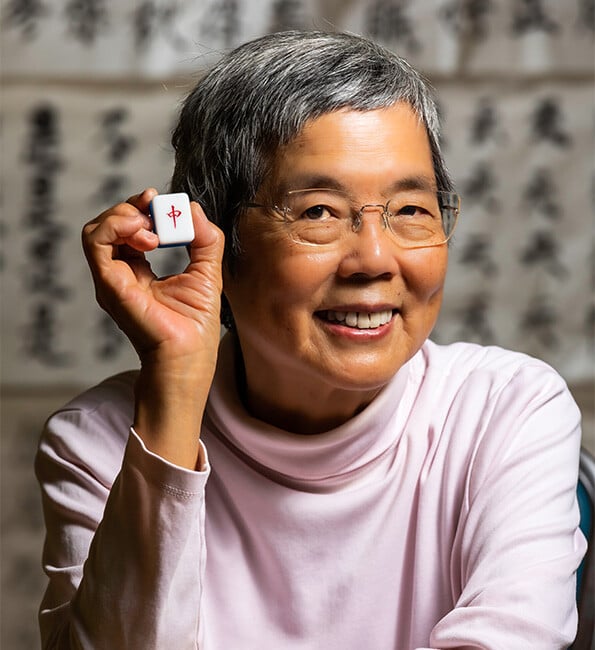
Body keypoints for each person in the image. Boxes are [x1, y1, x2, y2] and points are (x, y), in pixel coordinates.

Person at [35, 30, 586, 649]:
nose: (375, 260)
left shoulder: (505, 412)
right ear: (210, 240)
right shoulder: (100, 440)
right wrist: (174, 390)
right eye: (318, 212)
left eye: (411, 210)